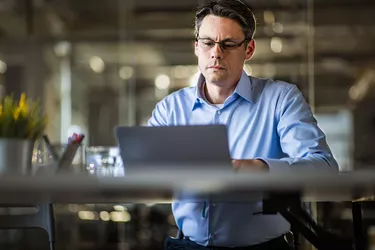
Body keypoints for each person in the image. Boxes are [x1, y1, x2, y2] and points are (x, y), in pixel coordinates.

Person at [148, 0, 338, 249]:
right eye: (207, 43)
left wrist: (259, 169)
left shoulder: (280, 99)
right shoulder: (170, 109)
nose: (216, 52)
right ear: (196, 47)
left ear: (248, 50)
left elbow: (324, 168)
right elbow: (134, 168)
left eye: (227, 44)